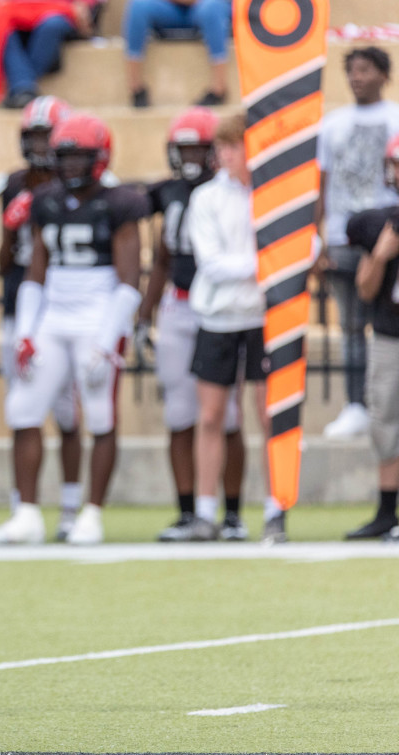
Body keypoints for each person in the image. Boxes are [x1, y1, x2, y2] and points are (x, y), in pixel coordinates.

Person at [0, 113, 146, 546]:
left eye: (80, 157)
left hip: (96, 316)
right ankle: (26, 513)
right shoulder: (46, 199)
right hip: (54, 316)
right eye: (66, 157)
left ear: (99, 157)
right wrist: (26, 331)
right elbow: (36, 272)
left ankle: (91, 513)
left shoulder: (120, 203)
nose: (72, 166)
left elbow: (128, 280)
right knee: (23, 409)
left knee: (99, 415)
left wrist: (107, 338)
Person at [0, 96, 85, 545]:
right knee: (23, 408)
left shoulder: (81, 184)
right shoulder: (13, 183)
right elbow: (3, 261)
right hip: (19, 306)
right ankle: (25, 509)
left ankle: (71, 505)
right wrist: (11, 222)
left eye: (47, 136)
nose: (40, 146)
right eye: (34, 137)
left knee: (68, 413)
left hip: (64, 307)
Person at [138, 107, 248, 542]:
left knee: (230, 415)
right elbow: (161, 257)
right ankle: (189, 511)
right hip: (179, 305)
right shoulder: (167, 192)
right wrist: (143, 315)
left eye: (199, 149)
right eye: (183, 149)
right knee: (182, 415)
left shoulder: (229, 192)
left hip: (221, 307)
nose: (190, 158)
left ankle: (233, 511)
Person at [185, 114, 285, 544]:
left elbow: (302, 245)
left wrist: (271, 267)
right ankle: (205, 514)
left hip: (265, 318)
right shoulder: (206, 198)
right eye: (222, 147)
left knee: (269, 417)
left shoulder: (275, 193)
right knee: (210, 416)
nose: (226, 155)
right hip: (218, 318)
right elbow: (212, 264)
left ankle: (275, 509)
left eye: (234, 146)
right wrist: (264, 266)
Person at [315, 47, 399, 439]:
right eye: (351, 71)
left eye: (365, 70)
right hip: (343, 237)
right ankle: (355, 404)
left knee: (389, 323)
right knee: (350, 326)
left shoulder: (396, 116)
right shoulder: (333, 124)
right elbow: (322, 185)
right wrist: (318, 240)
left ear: (384, 74)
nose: (356, 77)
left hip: (389, 236)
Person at [344, 135, 399, 541]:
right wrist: (381, 253)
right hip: (389, 335)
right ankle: (386, 512)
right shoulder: (381, 223)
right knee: (385, 422)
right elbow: (364, 290)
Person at [0, 0, 99, 110]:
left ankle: (22, 85)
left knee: (51, 26)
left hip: (57, 16)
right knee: (2, 30)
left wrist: (84, 6)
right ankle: (24, 86)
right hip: (20, 19)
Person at [123, 0, 232, 107]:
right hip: (168, 9)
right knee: (138, 4)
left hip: (202, 9)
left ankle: (218, 89)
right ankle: (136, 88)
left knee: (213, 5)